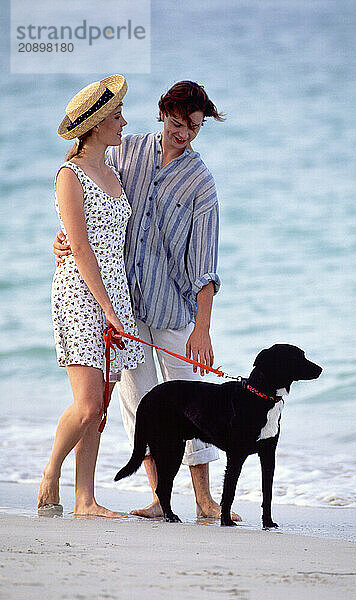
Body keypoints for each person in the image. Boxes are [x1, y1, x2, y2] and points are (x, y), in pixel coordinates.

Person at [54, 80, 241, 521]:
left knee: (195, 408)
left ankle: (205, 500)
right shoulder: (126, 151)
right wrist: (60, 238)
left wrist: (203, 326)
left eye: (194, 127)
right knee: (140, 408)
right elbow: (87, 199)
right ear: (163, 114)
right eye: (178, 123)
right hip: (124, 310)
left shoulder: (201, 182)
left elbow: (206, 263)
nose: (184, 134)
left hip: (174, 308)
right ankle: (161, 498)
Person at [38, 75, 144, 517]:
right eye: (116, 115)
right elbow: (79, 246)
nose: (123, 121)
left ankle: (85, 499)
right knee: (86, 405)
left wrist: (117, 307)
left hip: (114, 294)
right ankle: (49, 474)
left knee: (101, 403)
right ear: (97, 125)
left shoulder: (114, 170)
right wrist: (106, 309)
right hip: (82, 297)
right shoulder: (70, 175)